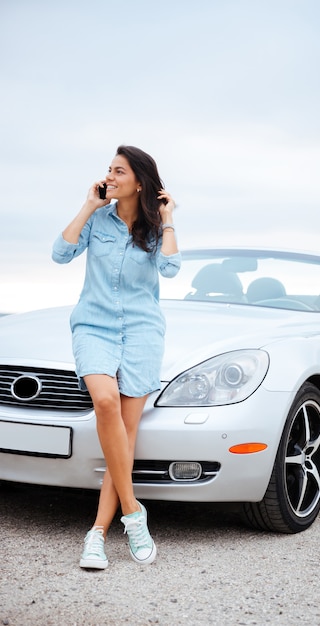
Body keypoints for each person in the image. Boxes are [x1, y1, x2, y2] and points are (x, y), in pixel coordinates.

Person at [52, 145, 181, 569]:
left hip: (143, 334)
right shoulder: (98, 219)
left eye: (119, 171)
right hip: (94, 327)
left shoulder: (154, 227)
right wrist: (89, 204)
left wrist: (167, 219)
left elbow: (171, 269)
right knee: (104, 401)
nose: (110, 176)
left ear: (139, 181)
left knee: (122, 441)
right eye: (109, 169)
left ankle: (97, 535)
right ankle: (133, 513)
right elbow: (61, 253)